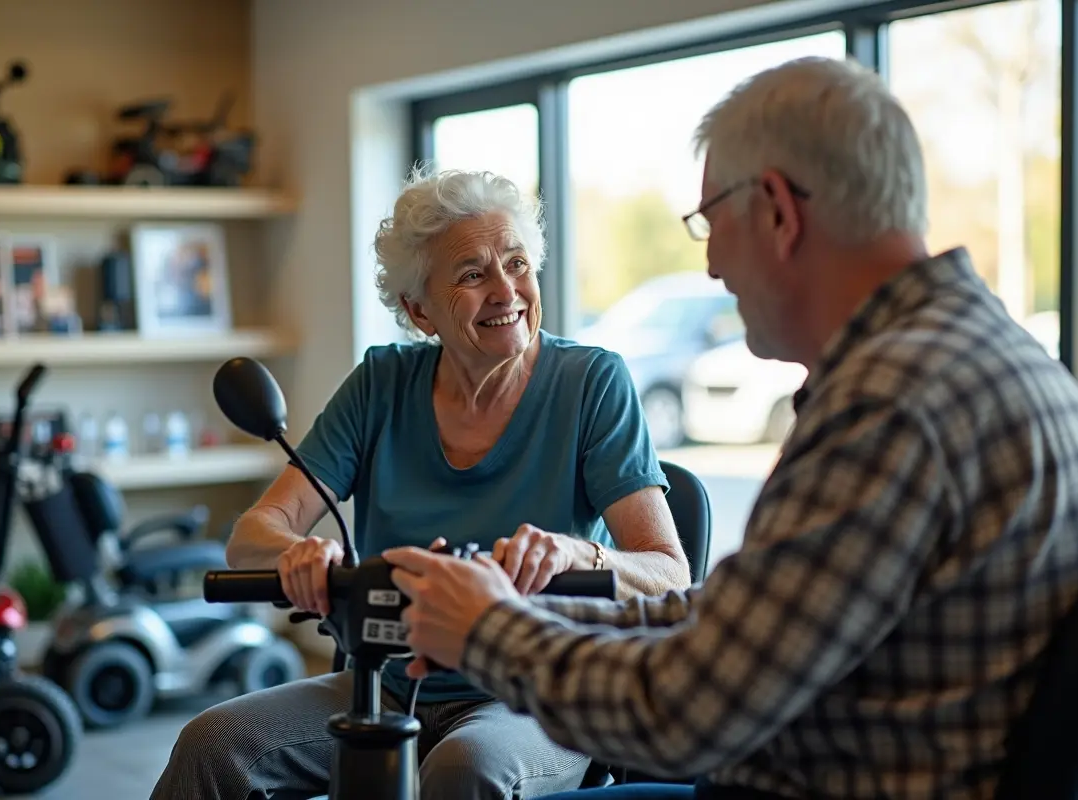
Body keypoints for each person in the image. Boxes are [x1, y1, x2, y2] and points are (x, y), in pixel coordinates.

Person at [381, 56, 1078, 800]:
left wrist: (487, 635)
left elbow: (681, 713)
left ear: (776, 211)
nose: (711, 266)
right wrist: (522, 608)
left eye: (710, 220)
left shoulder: (893, 405)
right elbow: (745, 622)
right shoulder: (974, 355)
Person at [150, 167, 691, 800]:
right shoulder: (382, 384)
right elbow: (253, 535)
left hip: (531, 689)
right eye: (471, 275)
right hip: (385, 682)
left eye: (516, 263)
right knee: (212, 744)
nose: (505, 291)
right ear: (417, 310)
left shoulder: (592, 383)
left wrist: (578, 551)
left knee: (465, 767)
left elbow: (669, 573)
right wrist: (299, 553)